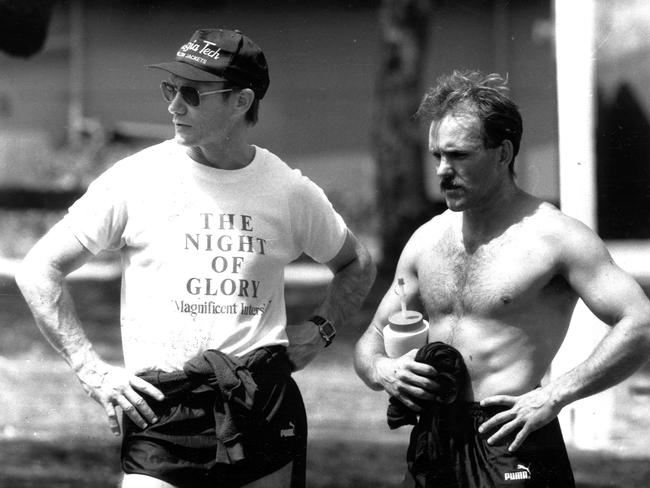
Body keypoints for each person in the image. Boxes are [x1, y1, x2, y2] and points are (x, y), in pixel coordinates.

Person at [16, 28, 375, 488]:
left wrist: (323, 330)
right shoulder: (136, 180)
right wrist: (91, 370)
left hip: (258, 401)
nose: (173, 105)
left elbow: (356, 264)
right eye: (171, 89)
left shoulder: (287, 191)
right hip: (162, 407)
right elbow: (38, 270)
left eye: (191, 92)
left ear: (241, 102)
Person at [354, 69, 650, 487]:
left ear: (503, 152)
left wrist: (555, 394)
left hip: (512, 434)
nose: (442, 170)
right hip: (435, 440)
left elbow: (640, 322)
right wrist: (382, 369)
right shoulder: (426, 240)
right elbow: (371, 336)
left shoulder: (556, 237)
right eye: (437, 155)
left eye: (458, 155)